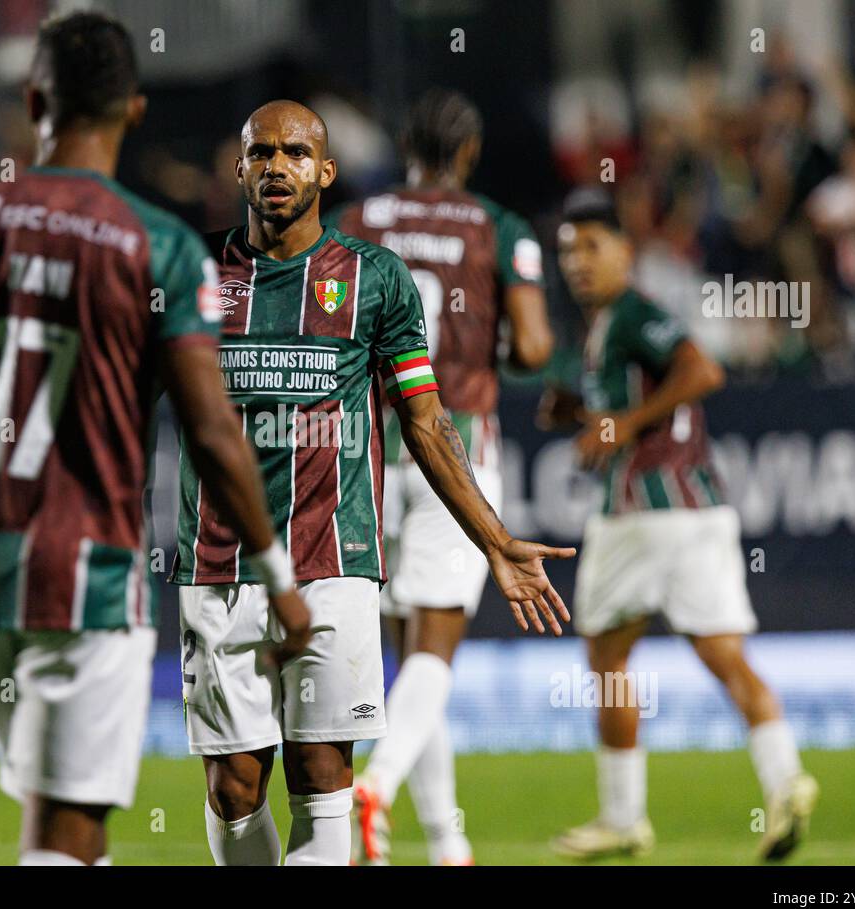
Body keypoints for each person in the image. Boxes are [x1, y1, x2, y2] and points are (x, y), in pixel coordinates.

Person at [0, 11, 309, 867]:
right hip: (87, 583)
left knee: (64, 823)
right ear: (136, 110)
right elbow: (210, 425)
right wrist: (279, 578)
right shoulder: (159, 249)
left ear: (35, 98)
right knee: (64, 841)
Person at [173, 99, 574, 866]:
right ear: (240, 168)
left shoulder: (374, 278)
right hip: (217, 566)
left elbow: (426, 423)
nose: (277, 167)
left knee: (322, 774)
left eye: (295, 153)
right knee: (233, 790)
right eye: (262, 153)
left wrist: (494, 540)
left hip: (335, 560)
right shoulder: (193, 275)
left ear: (325, 171)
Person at [541, 187, 817, 862]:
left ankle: (623, 816)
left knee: (607, 657)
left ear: (625, 252)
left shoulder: (634, 313)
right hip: (698, 508)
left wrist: (622, 425)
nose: (579, 262)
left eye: (592, 246)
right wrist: (582, 410)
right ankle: (787, 779)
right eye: (568, 251)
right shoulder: (607, 328)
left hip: (643, 514)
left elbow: (702, 370)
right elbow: (638, 403)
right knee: (724, 656)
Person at [327, 89, 554, 866]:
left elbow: (327, 326)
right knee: (436, 653)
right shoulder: (498, 228)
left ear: (403, 142)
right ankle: (376, 787)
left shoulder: (358, 221)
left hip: (368, 450)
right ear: (470, 151)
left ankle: (448, 845)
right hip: (453, 448)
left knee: (411, 659)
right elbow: (531, 348)